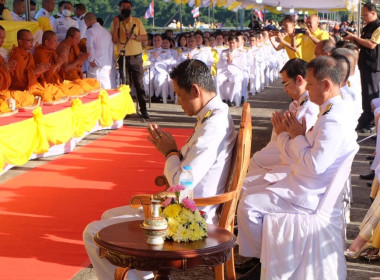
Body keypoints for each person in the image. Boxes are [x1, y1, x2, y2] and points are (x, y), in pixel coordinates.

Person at [82, 59, 236, 280]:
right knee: (108, 217)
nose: (177, 102)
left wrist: (170, 152)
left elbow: (183, 183)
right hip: (186, 205)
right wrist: (172, 152)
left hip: (193, 215)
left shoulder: (213, 125)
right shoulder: (214, 115)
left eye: (179, 94)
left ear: (195, 90)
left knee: (93, 233)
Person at [237, 56, 358, 279]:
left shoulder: (333, 120)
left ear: (326, 85)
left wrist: (291, 136)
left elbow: (314, 164)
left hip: (310, 194)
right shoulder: (330, 111)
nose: (308, 90)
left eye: (310, 85)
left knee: (250, 205)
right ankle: (264, 260)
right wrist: (295, 137)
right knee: (250, 194)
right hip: (304, 183)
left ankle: (262, 260)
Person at [243, 58, 319, 192]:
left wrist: (282, 134)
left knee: (247, 182)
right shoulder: (298, 104)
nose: (284, 90)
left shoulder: (309, 108)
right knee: (256, 161)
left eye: (286, 83)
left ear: (299, 80)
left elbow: (299, 148)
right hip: (286, 154)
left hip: (294, 165)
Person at [111, 0, 149, 119]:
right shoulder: (116, 22)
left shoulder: (137, 21)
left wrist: (134, 37)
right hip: (123, 58)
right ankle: (126, 110)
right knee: (125, 85)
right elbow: (115, 40)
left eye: (128, 6)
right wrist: (116, 24)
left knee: (139, 84)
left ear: (131, 9)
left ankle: (144, 110)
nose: (125, 8)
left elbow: (145, 37)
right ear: (120, 9)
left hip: (136, 58)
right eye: (123, 7)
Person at [345, 3, 380, 133]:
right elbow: (363, 43)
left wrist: (355, 37)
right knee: (365, 93)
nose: (364, 17)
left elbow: (371, 45)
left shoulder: (378, 27)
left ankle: (372, 121)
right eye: (363, 15)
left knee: (372, 93)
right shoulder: (367, 27)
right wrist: (353, 39)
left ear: (373, 13)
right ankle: (366, 118)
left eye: (365, 14)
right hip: (365, 64)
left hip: (373, 65)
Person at [84, 12, 115, 89]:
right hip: (105, 64)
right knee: (106, 88)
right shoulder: (107, 31)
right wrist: (110, 65)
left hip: (95, 64)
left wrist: (90, 60)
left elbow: (89, 46)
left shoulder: (90, 31)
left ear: (87, 21)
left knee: (95, 89)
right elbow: (110, 49)